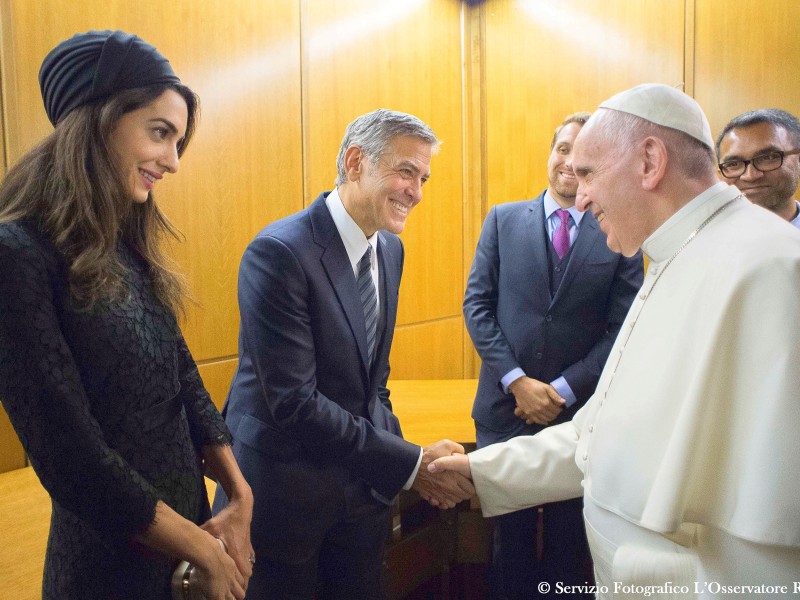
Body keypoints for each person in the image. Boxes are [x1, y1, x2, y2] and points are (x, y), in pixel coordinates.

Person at [430, 84, 800, 598]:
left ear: (649, 161)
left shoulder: (775, 268)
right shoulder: (673, 256)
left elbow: (771, 530)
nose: (579, 195)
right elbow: (600, 436)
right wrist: (478, 470)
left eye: (588, 173)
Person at [0, 30, 254, 600]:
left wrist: (239, 494)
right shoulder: (16, 253)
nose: (171, 161)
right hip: (106, 565)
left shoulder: (123, 241)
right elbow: (71, 458)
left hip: (184, 545)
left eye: (178, 141)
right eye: (159, 133)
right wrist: (200, 548)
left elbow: (181, 375)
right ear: (97, 122)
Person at [213, 108, 475, 599]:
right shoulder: (280, 253)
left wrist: (409, 465)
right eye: (405, 172)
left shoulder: (389, 250)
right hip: (285, 500)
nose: (416, 192)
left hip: (359, 496)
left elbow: (373, 382)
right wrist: (411, 463)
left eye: (423, 178)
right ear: (356, 162)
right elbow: (294, 403)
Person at [463, 112, 642, 599]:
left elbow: (624, 327)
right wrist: (517, 381)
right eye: (563, 148)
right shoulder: (502, 220)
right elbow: (477, 306)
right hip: (504, 409)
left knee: (570, 546)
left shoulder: (620, 230)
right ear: (551, 153)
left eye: (584, 155)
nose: (570, 161)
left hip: (580, 415)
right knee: (508, 545)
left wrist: (562, 391)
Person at [716, 108, 800, 227]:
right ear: (720, 175)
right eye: (733, 164)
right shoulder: (699, 239)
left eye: (768, 158)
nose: (750, 176)